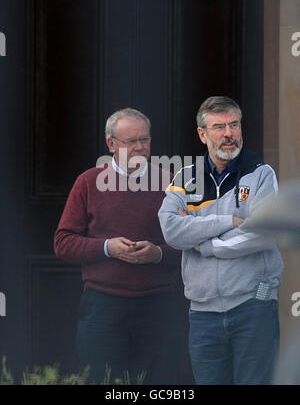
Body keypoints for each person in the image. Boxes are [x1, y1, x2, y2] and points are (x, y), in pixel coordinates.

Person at [158, 96, 284, 385]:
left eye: (234, 125)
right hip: (203, 314)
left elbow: (264, 233)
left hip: (253, 305)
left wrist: (207, 244)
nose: (229, 134)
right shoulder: (185, 177)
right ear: (203, 134)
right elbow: (171, 230)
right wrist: (229, 222)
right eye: (219, 127)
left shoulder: (261, 174)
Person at [54, 108, 181, 384]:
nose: (139, 147)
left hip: (158, 306)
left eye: (144, 140)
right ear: (111, 144)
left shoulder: (171, 183)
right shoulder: (88, 182)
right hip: (103, 306)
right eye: (130, 141)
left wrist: (157, 254)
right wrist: (107, 247)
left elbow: (192, 245)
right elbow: (63, 242)